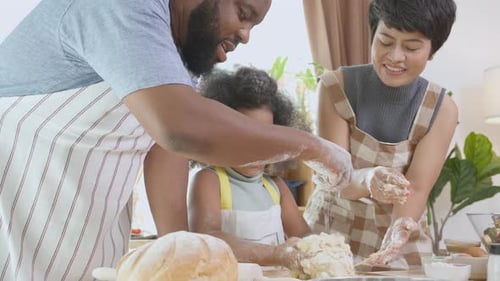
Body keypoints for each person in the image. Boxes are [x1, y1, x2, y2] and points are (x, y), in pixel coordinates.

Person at [0, 0, 353, 280]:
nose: (246, 35)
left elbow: (167, 147)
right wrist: (315, 147)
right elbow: (179, 128)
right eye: (243, 14)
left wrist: (180, 254)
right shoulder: (119, 6)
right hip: (19, 232)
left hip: (90, 247)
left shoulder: (173, 50)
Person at [303, 0, 458, 270]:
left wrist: (395, 239)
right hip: (331, 233)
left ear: (433, 50)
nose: (395, 56)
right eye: (385, 41)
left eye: (411, 47)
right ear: (372, 34)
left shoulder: (441, 109)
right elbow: (337, 177)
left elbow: (417, 189)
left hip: (398, 233)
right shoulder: (335, 87)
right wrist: (369, 178)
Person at [188, 66, 312, 270]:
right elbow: (209, 238)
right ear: (219, 134)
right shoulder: (210, 181)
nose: (257, 149)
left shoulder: (275, 187)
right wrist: (274, 254)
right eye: (245, 137)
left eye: (266, 137)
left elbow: (304, 234)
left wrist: (322, 248)